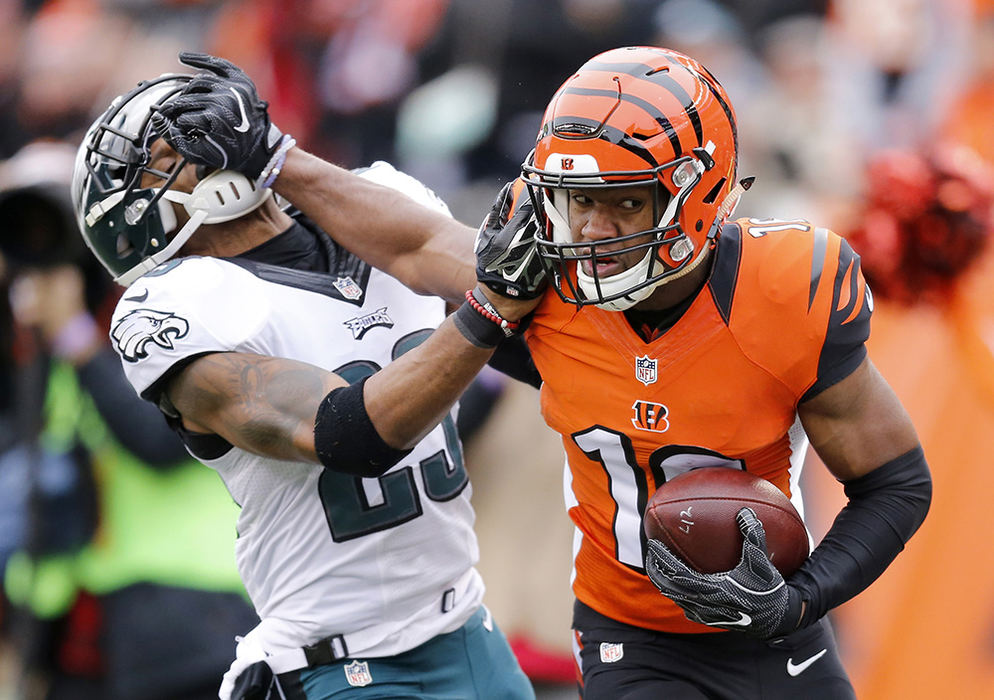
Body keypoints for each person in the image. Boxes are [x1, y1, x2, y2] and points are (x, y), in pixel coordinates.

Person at [150, 47, 932, 699]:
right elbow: (412, 244)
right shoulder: (543, 283)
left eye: (621, 203)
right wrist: (277, 160)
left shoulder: (785, 288)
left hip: (777, 634)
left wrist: (800, 597)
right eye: (572, 200)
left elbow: (896, 481)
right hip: (635, 638)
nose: (589, 230)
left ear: (697, 194)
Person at [70, 59, 539, 700]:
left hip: (467, 629)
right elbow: (352, 434)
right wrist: (488, 313)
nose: (201, 147)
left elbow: (478, 271)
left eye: (206, 130)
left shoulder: (377, 200)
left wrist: (276, 154)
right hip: (339, 666)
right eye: (167, 153)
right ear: (132, 213)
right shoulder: (178, 307)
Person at [0, 142, 259, 700]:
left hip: (198, 613)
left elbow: (161, 443)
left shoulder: (166, 306)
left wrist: (73, 334)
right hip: (101, 622)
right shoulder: (60, 345)